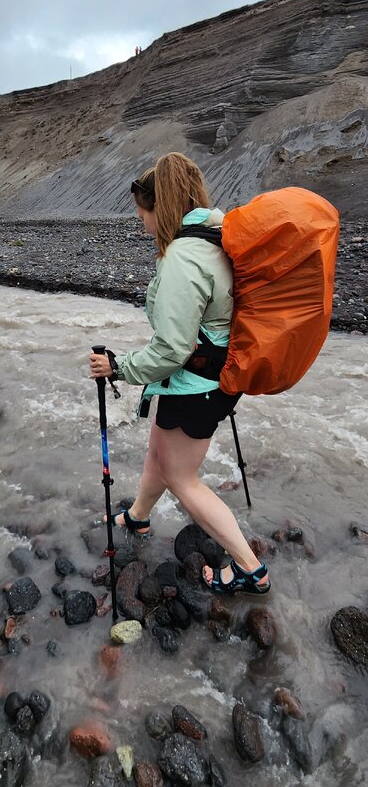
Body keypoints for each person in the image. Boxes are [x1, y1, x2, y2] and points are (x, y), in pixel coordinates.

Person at [89, 151, 270, 595]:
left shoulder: (182, 259)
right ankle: (139, 517)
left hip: (196, 388)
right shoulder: (213, 236)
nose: (142, 224)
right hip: (208, 380)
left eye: (142, 214)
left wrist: (119, 367)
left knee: (182, 478)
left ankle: (249, 567)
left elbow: (171, 350)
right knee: (159, 451)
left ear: (159, 208)